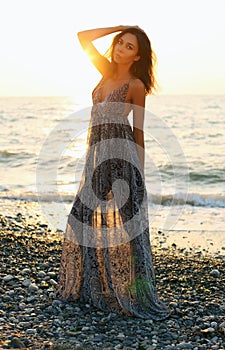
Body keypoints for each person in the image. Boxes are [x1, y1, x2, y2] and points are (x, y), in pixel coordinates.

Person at [56, 25, 169, 320]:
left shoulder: (135, 85)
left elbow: (139, 132)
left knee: (126, 228)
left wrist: (139, 173)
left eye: (129, 46)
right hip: (96, 156)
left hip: (121, 160)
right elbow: (82, 37)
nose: (121, 48)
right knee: (82, 218)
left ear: (138, 56)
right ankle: (90, 289)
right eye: (120, 43)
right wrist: (120, 26)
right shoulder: (104, 71)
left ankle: (132, 294)